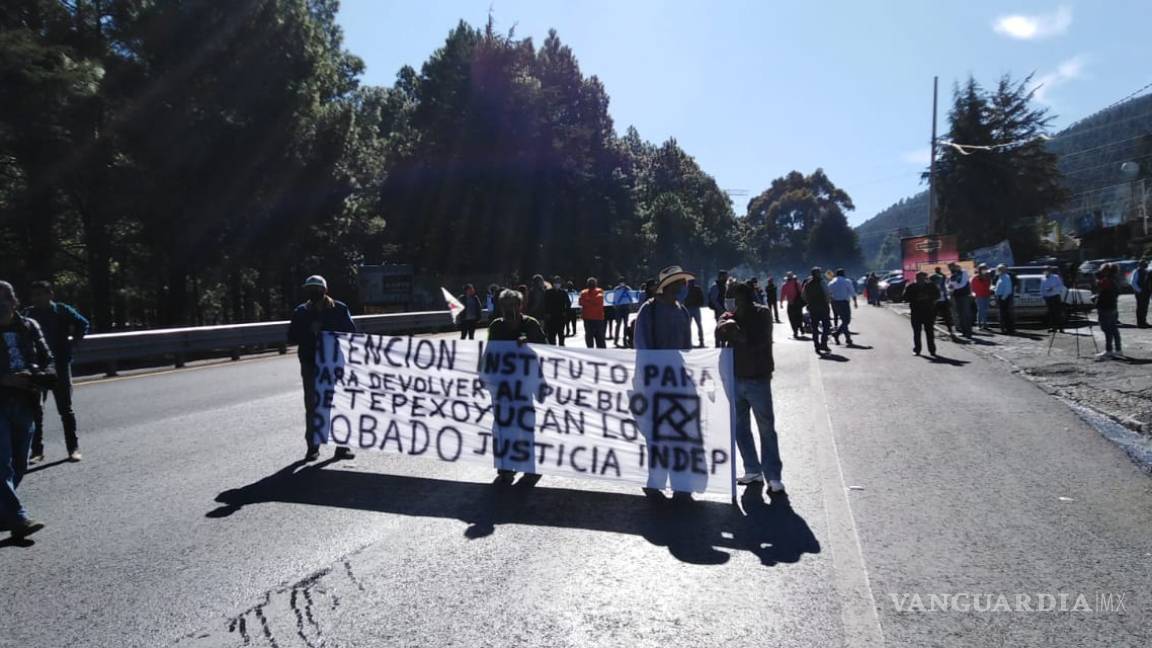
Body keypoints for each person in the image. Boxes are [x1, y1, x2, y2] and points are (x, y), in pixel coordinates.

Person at [716, 282, 784, 493]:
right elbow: (719, 332)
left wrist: (736, 333)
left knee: (766, 429)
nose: (728, 301)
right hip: (734, 379)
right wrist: (723, 326)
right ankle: (753, 470)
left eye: (731, 296)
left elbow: (758, 342)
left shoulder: (762, 314)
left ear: (744, 298)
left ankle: (773, 476)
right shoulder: (728, 316)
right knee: (740, 428)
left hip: (757, 379)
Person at [0, 280, 54, 539]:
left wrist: (37, 376)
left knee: (20, 463)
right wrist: (4, 379)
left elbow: (48, 360)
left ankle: (4, 513)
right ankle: (18, 518)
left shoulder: (29, 326)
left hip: (26, 401)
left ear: (14, 301)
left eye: (4, 299)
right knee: (2, 465)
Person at [287, 275, 357, 462]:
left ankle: (342, 447)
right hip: (310, 364)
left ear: (325, 290)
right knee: (313, 406)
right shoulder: (301, 312)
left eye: (316, 289)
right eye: (310, 289)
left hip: (334, 365)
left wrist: (327, 331)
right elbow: (292, 337)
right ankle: (313, 447)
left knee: (338, 404)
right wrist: (309, 330)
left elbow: (351, 333)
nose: (313, 293)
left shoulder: (340, 309)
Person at [24, 280, 89, 463]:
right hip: (38, 368)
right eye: (34, 295)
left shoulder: (61, 310)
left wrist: (72, 343)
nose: (36, 298)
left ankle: (73, 448)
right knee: (36, 410)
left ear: (50, 294)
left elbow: (83, 323)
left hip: (60, 365)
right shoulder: (28, 314)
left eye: (40, 294)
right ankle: (37, 451)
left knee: (65, 409)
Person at [486, 289, 547, 483]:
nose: (509, 309)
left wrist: (528, 344)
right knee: (503, 425)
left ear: (520, 306)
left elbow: (546, 348)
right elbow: (490, 354)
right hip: (502, 385)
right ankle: (504, 466)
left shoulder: (530, 324)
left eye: (513, 305)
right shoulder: (496, 326)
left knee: (525, 424)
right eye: (505, 305)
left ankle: (528, 464)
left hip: (525, 384)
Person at [633, 266, 693, 351]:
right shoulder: (648, 310)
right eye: (680, 283)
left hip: (676, 363)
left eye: (685, 283)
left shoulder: (683, 311)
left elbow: (687, 347)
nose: (684, 287)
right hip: (654, 363)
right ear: (668, 286)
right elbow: (642, 346)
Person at [902, 271, 939, 356]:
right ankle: (917, 349)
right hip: (916, 312)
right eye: (919, 279)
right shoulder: (911, 287)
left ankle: (932, 350)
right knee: (917, 332)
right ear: (916, 278)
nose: (921, 280)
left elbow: (937, 295)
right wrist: (915, 298)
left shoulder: (931, 286)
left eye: (923, 278)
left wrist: (928, 297)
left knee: (929, 332)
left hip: (928, 311)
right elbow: (904, 297)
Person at [802, 268, 832, 355]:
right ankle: (823, 343)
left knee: (815, 328)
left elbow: (803, 296)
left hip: (813, 308)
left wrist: (810, 302)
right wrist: (827, 302)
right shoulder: (822, 282)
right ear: (818, 274)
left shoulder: (807, 284)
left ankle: (817, 346)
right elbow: (827, 294)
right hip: (823, 308)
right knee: (826, 327)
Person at [1095, 264, 1122, 360]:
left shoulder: (1106, 280)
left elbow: (1100, 287)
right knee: (1114, 329)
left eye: (1101, 270)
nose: (1100, 271)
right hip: (1113, 306)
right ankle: (1118, 349)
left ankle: (1109, 350)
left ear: (1106, 271)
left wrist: (1098, 281)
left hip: (1105, 307)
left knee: (1107, 329)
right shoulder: (1115, 279)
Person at [827, 268, 858, 346]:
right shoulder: (847, 281)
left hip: (834, 303)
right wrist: (855, 302)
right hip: (844, 303)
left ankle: (848, 339)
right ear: (843, 274)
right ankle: (837, 334)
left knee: (844, 321)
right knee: (846, 321)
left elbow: (828, 293)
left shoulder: (831, 282)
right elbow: (852, 292)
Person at [947, 262, 973, 339]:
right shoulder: (953, 275)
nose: (951, 269)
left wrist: (954, 286)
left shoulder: (963, 272)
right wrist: (952, 286)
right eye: (950, 268)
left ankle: (968, 332)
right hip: (956, 296)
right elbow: (949, 285)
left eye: (952, 267)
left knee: (966, 314)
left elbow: (962, 284)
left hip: (964, 295)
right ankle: (964, 332)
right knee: (960, 314)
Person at [579, 277, 606, 348]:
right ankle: (591, 351)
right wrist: (592, 302)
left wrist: (587, 301)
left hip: (596, 318)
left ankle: (601, 352)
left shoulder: (599, 291)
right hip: (590, 318)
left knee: (598, 337)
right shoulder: (584, 292)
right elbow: (581, 302)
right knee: (590, 337)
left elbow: (599, 300)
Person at [543, 275, 569, 346]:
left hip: (561, 317)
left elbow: (568, 303)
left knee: (561, 334)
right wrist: (546, 313)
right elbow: (545, 303)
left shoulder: (563, 293)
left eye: (558, 282)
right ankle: (552, 348)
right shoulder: (548, 292)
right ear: (553, 283)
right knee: (551, 335)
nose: (557, 284)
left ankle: (561, 347)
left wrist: (565, 312)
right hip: (551, 317)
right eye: (556, 282)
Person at [930, 267, 955, 340]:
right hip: (935, 303)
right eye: (938, 280)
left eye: (940, 280)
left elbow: (945, 291)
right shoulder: (932, 284)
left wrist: (947, 300)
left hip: (943, 301)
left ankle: (950, 330)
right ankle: (931, 330)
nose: (940, 281)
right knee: (933, 317)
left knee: (947, 316)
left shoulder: (942, 281)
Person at [610, 278, 635, 346]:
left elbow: (631, 295)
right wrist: (614, 305)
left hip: (626, 308)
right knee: (618, 324)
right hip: (619, 308)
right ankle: (616, 340)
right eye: (621, 282)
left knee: (625, 324)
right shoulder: (616, 289)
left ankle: (624, 339)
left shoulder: (628, 289)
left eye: (623, 282)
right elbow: (614, 297)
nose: (622, 284)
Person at [1041, 267, 1066, 333]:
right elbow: (1042, 288)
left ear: (1050, 271)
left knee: (1058, 313)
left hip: (1055, 297)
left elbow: (1061, 286)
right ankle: (1053, 327)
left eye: (1047, 270)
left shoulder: (1056, 277)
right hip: (1048, 298)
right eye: (1045, 270)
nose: (1046, 272)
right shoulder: (1043, 278)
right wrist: (1043, 296)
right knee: (1051, 313)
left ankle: (1061, 328)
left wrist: (1053, 288)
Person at [707, 270, 729, 347]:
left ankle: (723, 343)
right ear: (720, 277)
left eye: (726, 276)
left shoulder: (725, 285)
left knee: (725, 327)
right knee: (720, 327)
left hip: (725, 310)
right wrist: (720, 309)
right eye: (724, 276)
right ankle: (718, 344)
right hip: (719, 311)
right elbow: (714, 300)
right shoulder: (715, 286)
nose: (726, 278)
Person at [780, 272, 804, 338]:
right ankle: (800, 326)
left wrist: (781, 303)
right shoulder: (797, 283)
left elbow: (782, 295)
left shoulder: (784, 285)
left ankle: (795, 331)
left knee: (792, 318)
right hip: (798, 304)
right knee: (799, 316)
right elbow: (802, 292)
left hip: (790, 304)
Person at [683, 278, 706, 347]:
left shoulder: (686, 289)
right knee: (697, 325)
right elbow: (701, 298)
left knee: (690, 326)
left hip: (691, 308)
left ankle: (690, 342)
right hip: (693, 308)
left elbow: (701, 298)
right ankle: (700, 341)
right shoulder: (696, 289)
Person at [994, 264, 1016, 335]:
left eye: (998, 270)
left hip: (1004, 298)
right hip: (1000, 297)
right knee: (1002, 314)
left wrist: (1003, 298)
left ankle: (1008, 329)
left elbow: (1008, 289)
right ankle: (1005, 329)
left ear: (1002, 270)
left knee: (1005, 314)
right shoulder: (1000, 277)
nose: (997, 271)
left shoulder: (1006, 277)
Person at [971, 264, 993, 331]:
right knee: (981, 310)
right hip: (979, 296)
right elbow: (972, 287)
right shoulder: (975, 278)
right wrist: (975, 294)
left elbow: (989, 285)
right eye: (983, 269)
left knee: (985, 310)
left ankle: (985, 324)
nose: (985, 270)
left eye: (985, 269)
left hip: (986, 295)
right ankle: (980, 324)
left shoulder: (988, 277)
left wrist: (990, 289)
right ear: (980, 270)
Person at [1134, 259, 1150, 328]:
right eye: (1144, 264)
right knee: (1140, 307)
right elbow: (1133, 282)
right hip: (1140, 293)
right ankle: (1140, 323)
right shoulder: (1136, 271)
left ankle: (1144, 322)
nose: (1145, 265)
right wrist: (1139, 290)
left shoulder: (1146, 271)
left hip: (1146, 292)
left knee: (1145, 308)